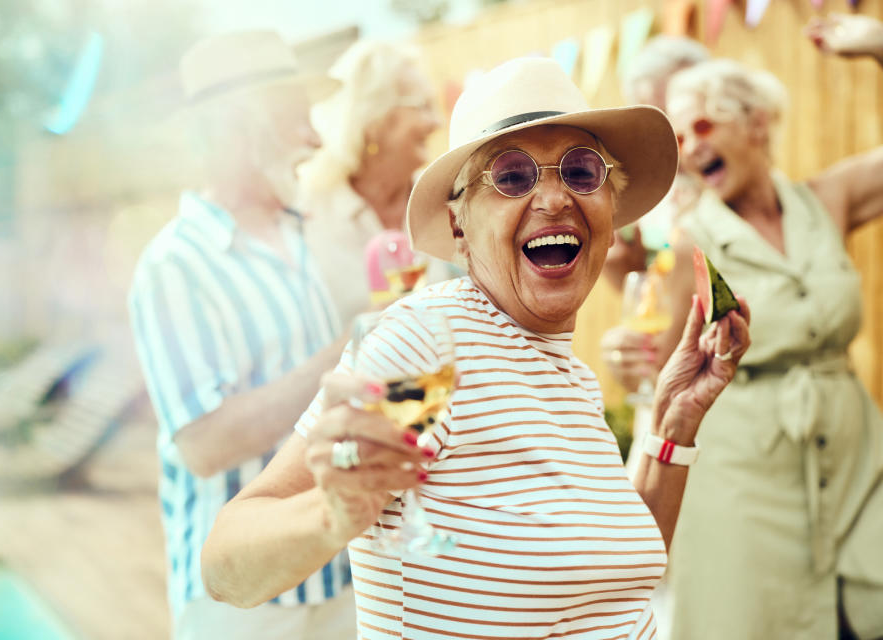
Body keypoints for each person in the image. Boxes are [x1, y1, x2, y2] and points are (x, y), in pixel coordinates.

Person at [199, 56, 751, 639]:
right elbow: (225, 564)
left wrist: (672, 425)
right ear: (459, 227)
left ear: (610, 212)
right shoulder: (433, 350)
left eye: (581, 171)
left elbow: (609, 583)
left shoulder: (570, 376)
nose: (555, 198)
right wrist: (333, 512)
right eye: (512, 177)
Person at [609, 40, 883, 638]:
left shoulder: (826, 201)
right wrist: (626, 358)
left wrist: (877, 45)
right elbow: (654, 360)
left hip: (860, 466)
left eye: (704, 123)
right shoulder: (685, 245)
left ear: (757, 122)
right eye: (679, 138)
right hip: (745, 484)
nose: (691, 147)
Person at [127, 31, 355, 639]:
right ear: (242, 124)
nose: (316, 137)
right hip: (242, 601)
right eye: (295, 117)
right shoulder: (175, 264)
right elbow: (204, 444)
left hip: (335, 573)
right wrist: (339, 362)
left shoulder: (299, 233)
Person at [298, 40, 447, 326]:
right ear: (374, 118)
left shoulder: (441, 202)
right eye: (423, 107)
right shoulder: (307, 214)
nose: (438, 122)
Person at [601, 35, 710, 292]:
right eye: (654, 118)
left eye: (678, 111)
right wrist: (629, 274)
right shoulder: (640, 201)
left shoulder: (735, 180)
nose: (670, 131)